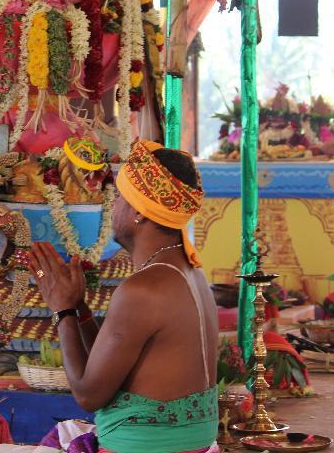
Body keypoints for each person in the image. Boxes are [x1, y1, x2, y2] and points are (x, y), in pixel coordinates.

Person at [23, 140, 219, 453]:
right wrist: (79, 308)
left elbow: (89, 395)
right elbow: (113, 366)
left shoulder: (145, 289)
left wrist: (61, 311)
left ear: (139, 213)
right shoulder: (190, 274)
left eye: (117, 197)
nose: (111, 207)